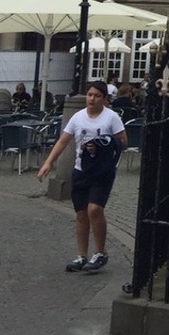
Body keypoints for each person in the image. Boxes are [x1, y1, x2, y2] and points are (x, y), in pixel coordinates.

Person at [37, 80, 127, 273]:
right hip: (81, 169)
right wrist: (48, 162)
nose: (92, 99)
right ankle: (82, 255)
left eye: (96, 96)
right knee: (81, 213)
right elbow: (63, 141)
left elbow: (123, 142)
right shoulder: (78, 118)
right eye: (89, 95)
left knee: (94, 209)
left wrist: (103, 144)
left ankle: (101, 252)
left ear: (104, 99)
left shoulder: (111, 118)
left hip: (102, 171)